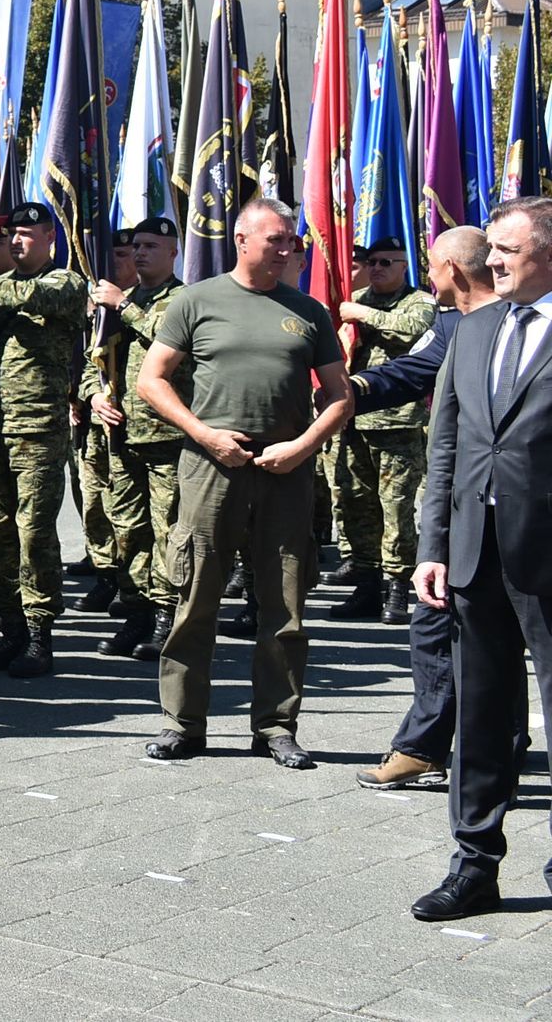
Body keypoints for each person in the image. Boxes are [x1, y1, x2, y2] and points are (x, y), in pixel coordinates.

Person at [137, 197, 352, 768]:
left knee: (284, 605)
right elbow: (152, 381)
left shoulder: (308, 311)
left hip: (286, 471)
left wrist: (301, 447)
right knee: (196, 598)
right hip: (211, 467)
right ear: (241, 238)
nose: (286, 250)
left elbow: (339, 397)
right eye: (276, 239)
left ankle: (276, 727)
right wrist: (204, 435)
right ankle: (183, 723)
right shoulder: (196, 301)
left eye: (292, 241)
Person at [405, 199, 552, 921]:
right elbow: (448, 445)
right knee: (484, 715)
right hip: (473, 557)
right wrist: (433, 548)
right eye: (491, 249)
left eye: (508, 250)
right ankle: (473, 865)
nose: (491, 262)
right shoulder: (473, 327)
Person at [342, 225, 491, 794]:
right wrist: (350, 387)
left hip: (520, 509)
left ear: (451, 269)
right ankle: (423, 748)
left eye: (431, 265)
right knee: (433, 624)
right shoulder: (451, 324)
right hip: (456, 507)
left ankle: (496, 744)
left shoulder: (531, 323)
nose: (427, 276)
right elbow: (410, 371)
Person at [0, 201, 88, 677]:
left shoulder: (65, 282)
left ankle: (40, 634)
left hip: (37, 428)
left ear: (49, 238)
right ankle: (12, 629)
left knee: (33, 532)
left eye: (27, 234)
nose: (16, 241)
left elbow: (33, 299)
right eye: (11, 234)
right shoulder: (1, 288)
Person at [332, 237, 435, 623]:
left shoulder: (418, 301)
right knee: (357, 505)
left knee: (395, 509)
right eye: (371, 262)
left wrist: (364, 314)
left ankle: (397, 587)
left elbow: (415, 332)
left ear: (404, 266)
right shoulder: (356, 300)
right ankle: (367, 584)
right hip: (353, 422)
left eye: (386, 262)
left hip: (397, 425)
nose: (376, 269)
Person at [95, 216, 184, 661]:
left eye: (151, 246)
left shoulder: (185, 299)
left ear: (172, 252)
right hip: (122, 431)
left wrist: (122, 306)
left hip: (166, 433)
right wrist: (94, 396)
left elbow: (170, 338)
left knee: (168, 530)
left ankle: (168, 616)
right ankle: (137, 610)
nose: (141, 253)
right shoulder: (121, 300)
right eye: (136, 247)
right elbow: (94, 362)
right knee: (127, 528)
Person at [75, 224, 139, 612]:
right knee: (95, 500)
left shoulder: (154, 301)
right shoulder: (94, 305)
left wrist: (123, 307)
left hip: (139, 421)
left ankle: (139, 590)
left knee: (132, 510)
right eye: (110, 254)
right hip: (96, 420)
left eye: (122, 254)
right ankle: (106, 574)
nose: (113, 262)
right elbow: (83, 361)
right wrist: (89, 394)